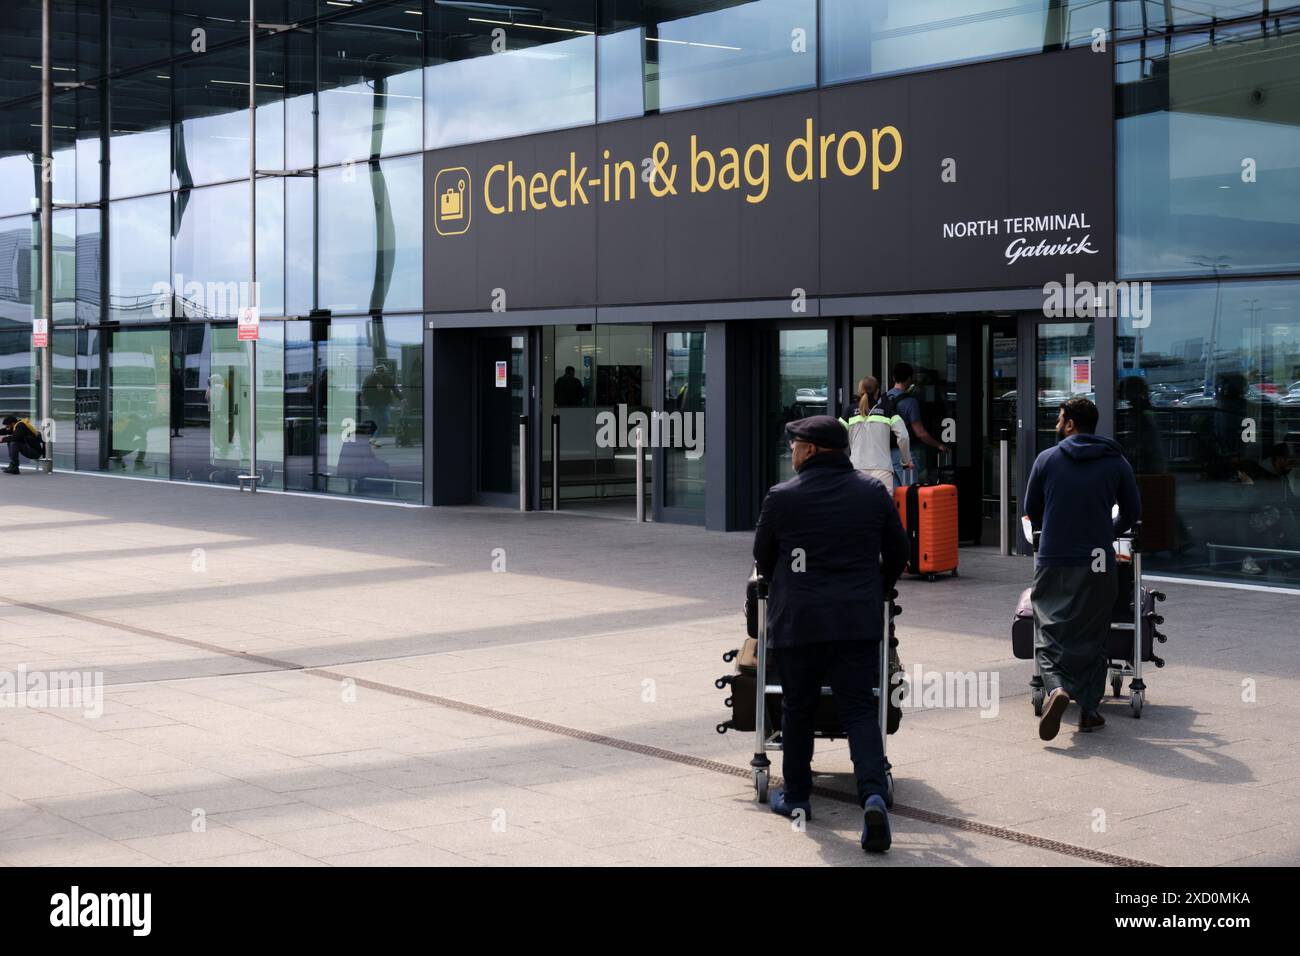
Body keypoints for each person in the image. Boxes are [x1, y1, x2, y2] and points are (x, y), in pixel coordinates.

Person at [753, 414, 910, 852]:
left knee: (798, 707)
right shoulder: (872, 492)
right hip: (857, 621)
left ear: (811, 450)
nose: (791, 452)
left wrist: (787, 580)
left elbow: (762, 558)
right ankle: (873, 795)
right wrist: (877, 587)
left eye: (795, 446)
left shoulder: (782, 497)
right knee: (859, 709)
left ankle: (798, 795)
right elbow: (899, 551)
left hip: (799, 623)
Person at [1024, 397, 1140, 740]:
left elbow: (1033, 508)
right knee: (1093, 632)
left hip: (1055, 557)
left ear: (1071, 423)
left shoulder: (1047, 459)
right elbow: (1132, 511)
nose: (1058, 424)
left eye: (1060, 418)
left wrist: (1056, 531)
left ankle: (1057, 688)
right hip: (1099, 559)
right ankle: (1089, 711)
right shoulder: (1116, 461)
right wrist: (1109, 531)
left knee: (1047, 631)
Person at [842, 375, 911, 492]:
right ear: (877, 391)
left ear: (859, 391)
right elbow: (903, 435)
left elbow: (833, 433)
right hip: (882, 469)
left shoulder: (850, 411)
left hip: (857, 468)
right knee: (881, 508)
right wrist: (905, 461)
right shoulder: (888, 410)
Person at [886, 362, 947, 487]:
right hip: (904, 455)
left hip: (885, 454)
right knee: (909, 494)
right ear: (909, 379)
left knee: (895, 496)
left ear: (893, 378)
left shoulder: (884, 398)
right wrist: (939, 445)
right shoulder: (910, 402)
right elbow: (920, 433)